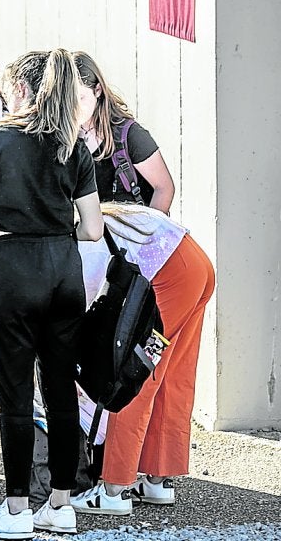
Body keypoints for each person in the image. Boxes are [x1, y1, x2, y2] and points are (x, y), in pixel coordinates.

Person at [0, 49, 103, 539]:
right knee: (62, 391)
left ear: (22, 88)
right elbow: (92, 228)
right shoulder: (74, 146)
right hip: (64, 271)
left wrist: (5, 222)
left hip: (13, 270)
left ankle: (17, 508)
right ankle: (62, 503)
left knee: (15, 396)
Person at [70, 203, 214, 516]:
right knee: (173, 378)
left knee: (130, 376)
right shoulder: (104, 213)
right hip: (197, 265)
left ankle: (113, 491)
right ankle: (157, 482)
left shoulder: (78, 238)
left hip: (169, 275)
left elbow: (90, 305)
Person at [74, 51, 175, 214]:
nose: (73, 107)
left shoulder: (129, 135)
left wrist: (149, 235)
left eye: (81, 98)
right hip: (88, 234)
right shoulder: (61, 138)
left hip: (131, 233)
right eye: (67, 99)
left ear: (97, 90)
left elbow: (164, 187)